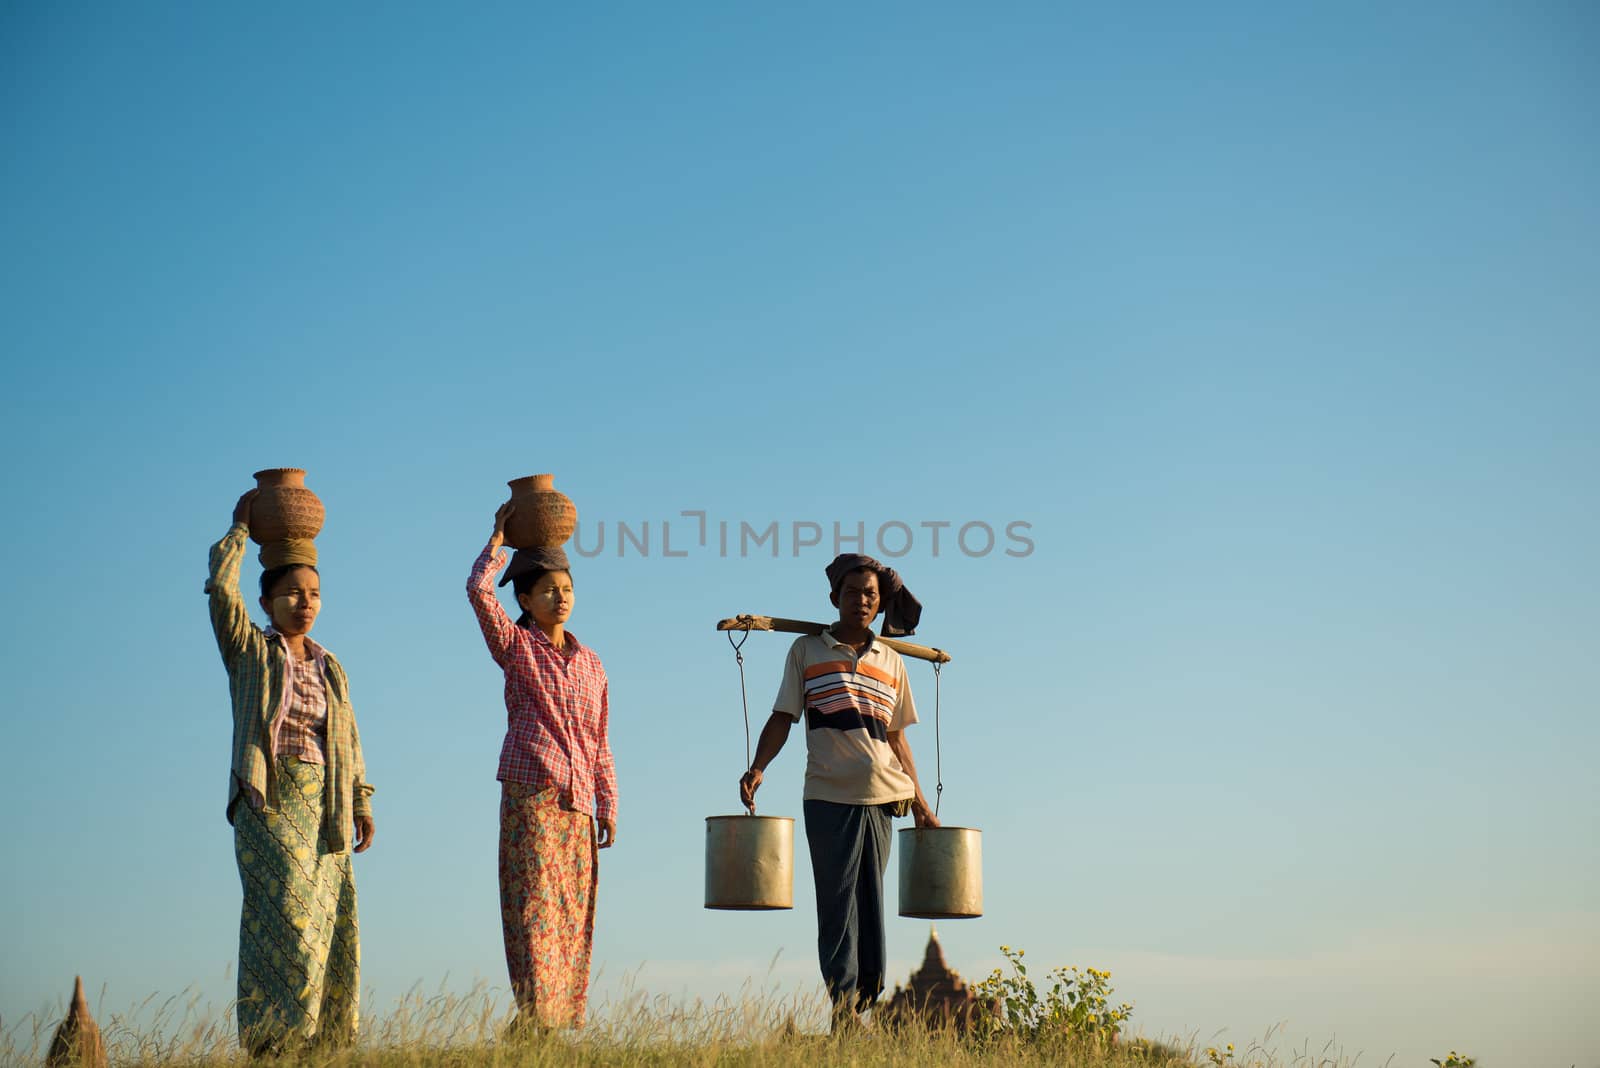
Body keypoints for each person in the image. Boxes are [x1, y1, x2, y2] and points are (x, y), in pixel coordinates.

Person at [205, 488, 375, 1055]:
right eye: (292, 594)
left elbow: (348, 739)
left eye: (314, 594)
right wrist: (238, 530)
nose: (305, 603)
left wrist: (361, 802)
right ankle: (275, 1038)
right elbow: (222, 590)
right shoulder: (250, 650)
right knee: (283, 918)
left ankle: (319, 1045)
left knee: (331, 922)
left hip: (324, 807)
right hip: (268, 800)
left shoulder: (332, 668)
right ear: (269, 602)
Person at [738, 553, 940, 1030]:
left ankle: (865, 998)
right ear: (835, 598)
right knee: (836, 902)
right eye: (853, 593)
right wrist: (757, 767)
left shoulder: (892, 660)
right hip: (828, 795)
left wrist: (922, 806)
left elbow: (897, 739)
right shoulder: (807, 652)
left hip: (886, 795)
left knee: (869, 903)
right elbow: (783, 716)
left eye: (870, 595)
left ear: (879, 603)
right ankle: (841, 1005)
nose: (862, 601)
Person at [467, 501, 617, 1031]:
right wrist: (498, 540)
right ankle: (535, 1018)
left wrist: (608, 804)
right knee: (533, 907)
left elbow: (600, 741)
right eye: (549, 590)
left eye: (567, 588)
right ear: (526, 600)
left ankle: (549, 1023)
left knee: (570, 913)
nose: (561, 597)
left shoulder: (592, 664)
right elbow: (479, 592)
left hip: (577, 805)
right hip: (532, 794)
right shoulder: (516, 647)